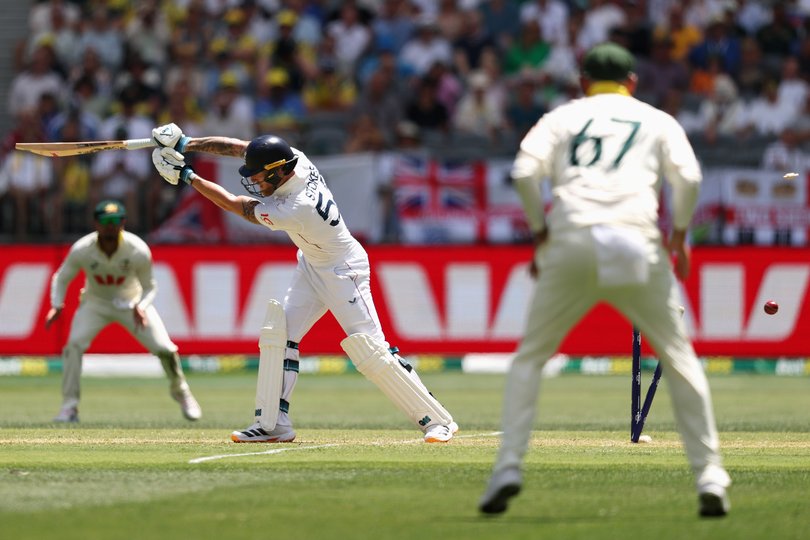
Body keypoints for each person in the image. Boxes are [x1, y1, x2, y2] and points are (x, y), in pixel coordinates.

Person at [478, 43, 731, 517]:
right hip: (637, 240)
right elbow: (690, 179)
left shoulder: (562, 118)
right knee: (679, 359)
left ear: (582, 82)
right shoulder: (656, 120)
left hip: (572, 239)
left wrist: (540, 234)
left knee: (530, 358)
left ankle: (508, 468)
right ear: (632, 83)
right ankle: (711, 476)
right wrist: (679, 236)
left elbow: (523, 173)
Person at [148, 124, 458, 444]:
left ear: (279, 173)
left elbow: (235, 205)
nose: (253, 181)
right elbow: (240, 148)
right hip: (312, 264)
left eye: (258, 177)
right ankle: (273, 425)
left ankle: (438, 421)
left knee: (371, 352)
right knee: (279, 336)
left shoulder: (296, 208)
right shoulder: (293, 158)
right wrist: (186, 142)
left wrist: (188, 177)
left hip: (343, 271)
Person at [45, 200, 201, 423]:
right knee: (73, 345)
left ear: (123, 223)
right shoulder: (83, 249)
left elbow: (150, 287)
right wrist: (57, 304)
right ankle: (69, 407)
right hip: (95, 303)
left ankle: (182, 392)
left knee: (165, 349)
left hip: (131, 303)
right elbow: (62, 277)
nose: (111, 226)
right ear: (96, 224)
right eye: (106, 221)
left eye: (116, 221)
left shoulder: (137, 249)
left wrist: (141, 306)